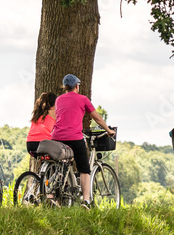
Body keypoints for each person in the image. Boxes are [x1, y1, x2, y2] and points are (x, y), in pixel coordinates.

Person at [50, 74, 115, 208]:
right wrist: (108, 130)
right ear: (77, 86)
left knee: (62, 162)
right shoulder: (83, 99)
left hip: (56, 137)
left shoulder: (59, 100)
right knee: (84, 169)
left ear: (65, 87)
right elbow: (97, 118)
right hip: (74, 137)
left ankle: (54, 190)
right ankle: (86, 201)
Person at [26, 92, 57, 175]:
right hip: (44, 144)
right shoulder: (53, 112)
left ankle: (42, 181)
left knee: (47, 163)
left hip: (30, 145)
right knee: (60, 157)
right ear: (53, 105)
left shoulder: (37, 114)